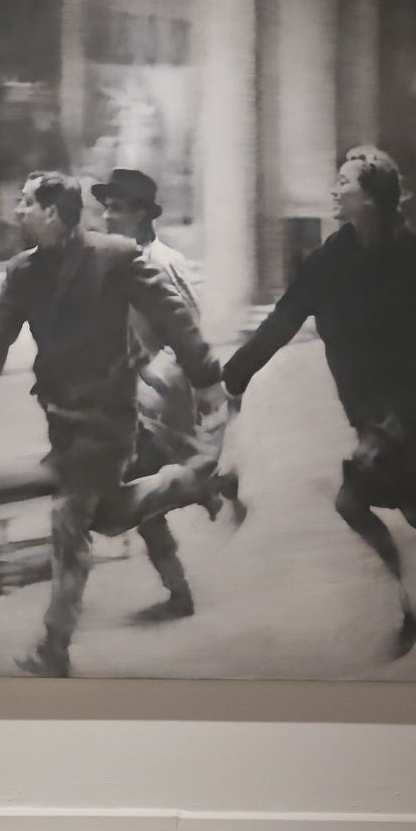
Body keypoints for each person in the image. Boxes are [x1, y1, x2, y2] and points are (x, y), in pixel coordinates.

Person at [0, 172, 230, 677]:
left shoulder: (115, 257)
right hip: (62, 418)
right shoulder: (23, 271)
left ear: (51, 213)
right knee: (111, 514)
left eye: (25, 202)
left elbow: (174, 317)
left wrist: (207, 377)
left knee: (70, 519)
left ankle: (55, 646)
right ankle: (186, 487)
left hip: (109, 415)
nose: (17, 211)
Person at [223, 146, 416, 659]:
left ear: (370, 198)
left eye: (344, 182)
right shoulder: (328, 262)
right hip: (368, 411)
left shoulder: (412, 252)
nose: (334, 189)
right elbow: (283, 321)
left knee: (360, 503)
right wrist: (235, 373)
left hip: (407, 410)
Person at [94, 168, 239, 623]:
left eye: (117, 208)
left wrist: (159, 379)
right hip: (129, 395)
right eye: (106, 207)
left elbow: (187, 331)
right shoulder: (114, 262)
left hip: (161, 397)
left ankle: (204, 485)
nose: (107, 216)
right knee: (141, 499)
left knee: (131, 492)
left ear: (141, 214)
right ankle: (179, 589)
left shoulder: (164, 262)